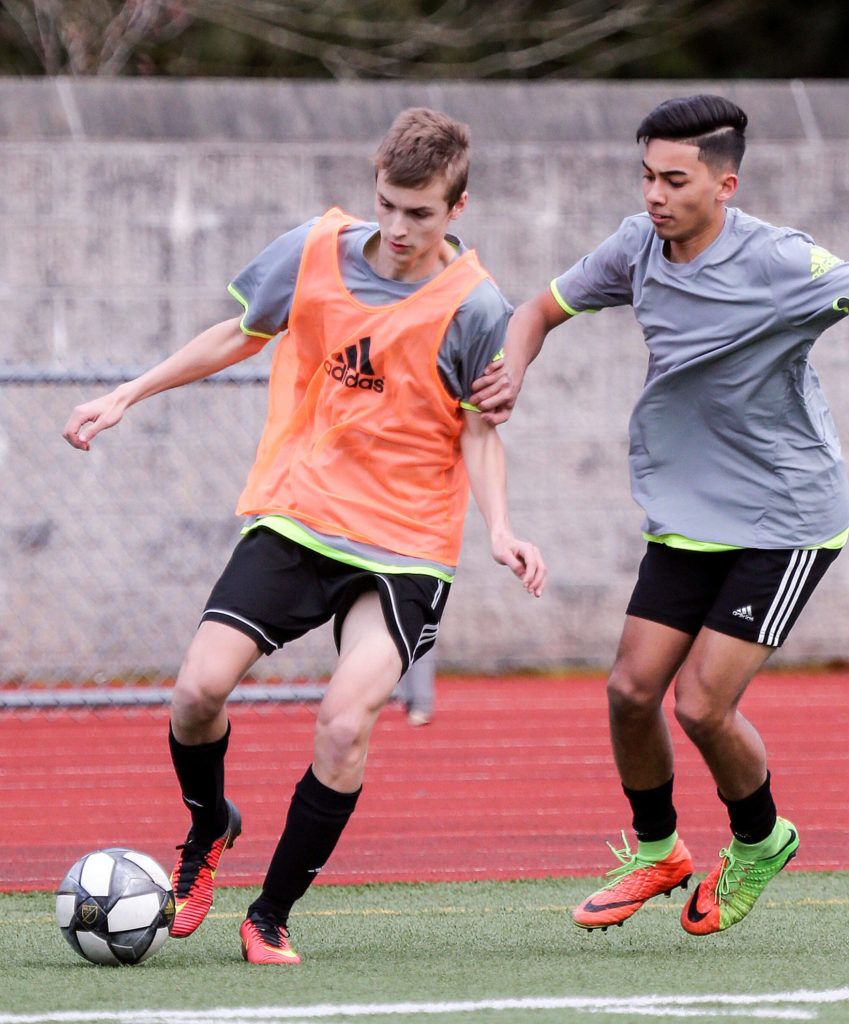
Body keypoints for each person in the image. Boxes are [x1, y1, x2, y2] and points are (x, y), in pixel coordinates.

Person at [63, 107, 546, 964]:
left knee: (341, 721)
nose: (398, 229)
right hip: (299, 515)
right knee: (195, 693)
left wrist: (503, 527)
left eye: (420, 214)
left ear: (457, 209)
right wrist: (125, 394)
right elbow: (235, 333)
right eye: (387, 205)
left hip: (404, 548)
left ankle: (270, 914)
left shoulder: (477, 306)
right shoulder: (313, 249)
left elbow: (480, 426)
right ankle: (211, 827)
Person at [470, 94, 849, 937]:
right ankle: (658, 851)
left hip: (786, 517)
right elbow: (536, 311)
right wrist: (512, 370)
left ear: (723, 184)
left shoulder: (782, 260)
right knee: (629, 693)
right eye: (645, 176)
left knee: (699, 706)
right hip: (690, 511)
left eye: (673, 179)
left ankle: (762, 838)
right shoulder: (636, 246)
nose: (654, 195)